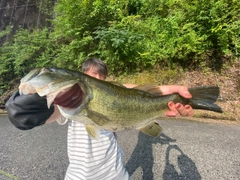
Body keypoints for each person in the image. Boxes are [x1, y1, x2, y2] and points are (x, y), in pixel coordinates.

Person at [6, 57, 194, 180]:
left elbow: (126, 90)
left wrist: (166, 91)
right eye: (93, 76)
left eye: (102, 77)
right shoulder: (64, 106)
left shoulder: (108, 95)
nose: (98, 78)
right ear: (83, 78)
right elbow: (25, 114)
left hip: (115, 174)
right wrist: (24, 105)